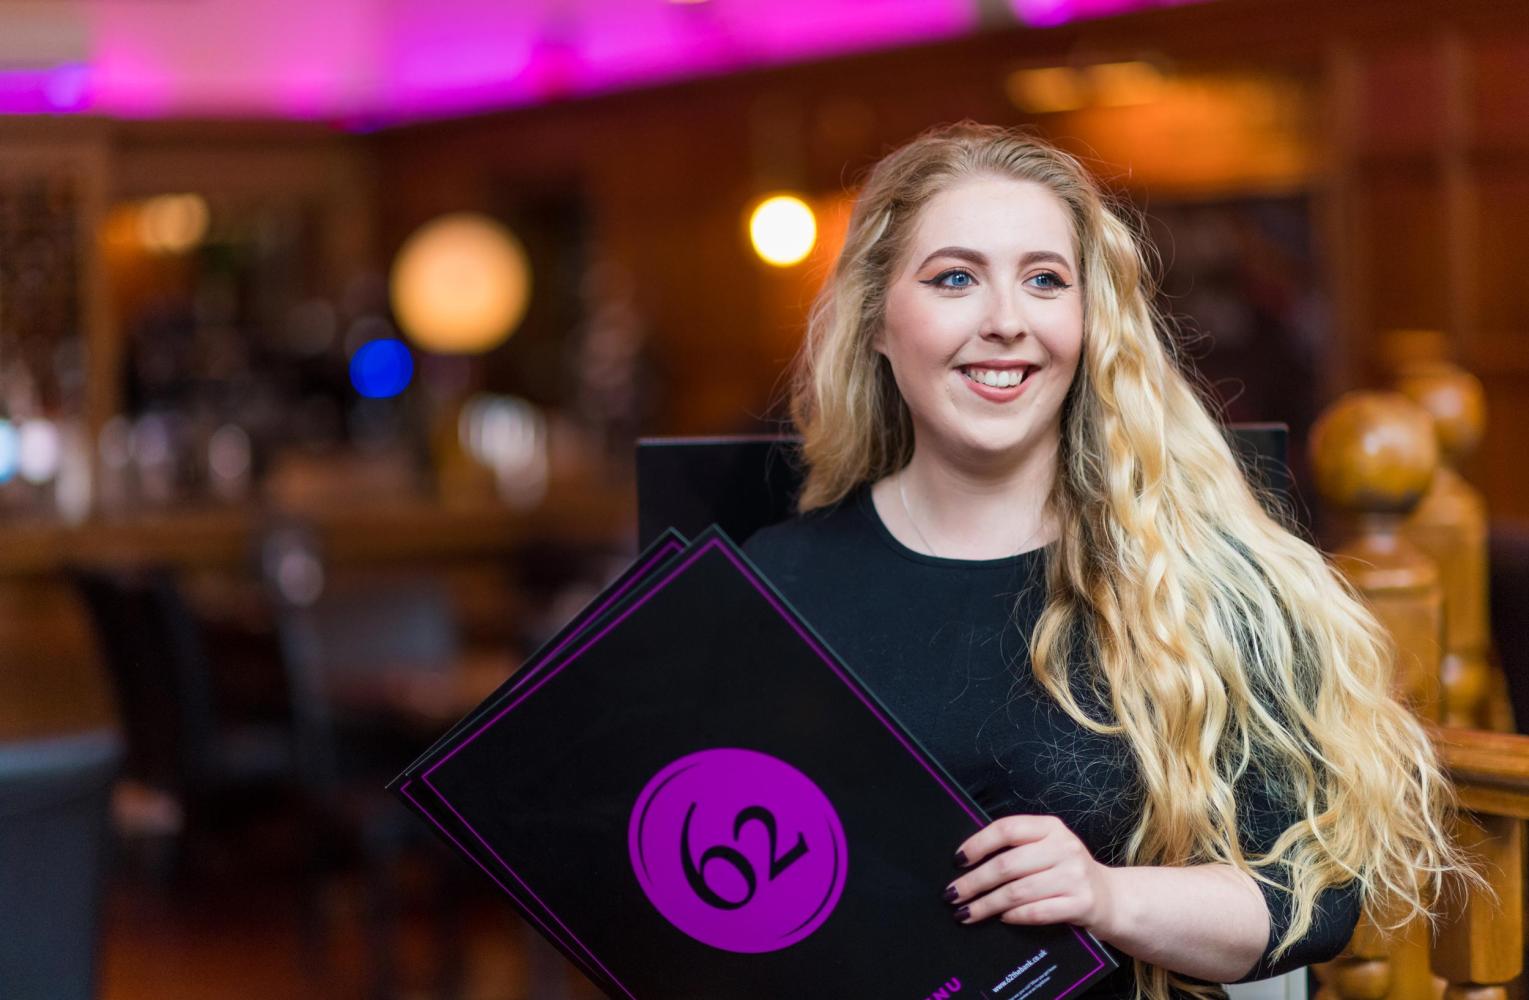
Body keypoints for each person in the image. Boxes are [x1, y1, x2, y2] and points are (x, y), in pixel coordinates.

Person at [741, 121, 1473, 1000]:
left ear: (1090, 322)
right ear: (876, 322)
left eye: (1045, 281)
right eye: (954, 278)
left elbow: (1316, 898)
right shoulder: (774, 585)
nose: (1005, 322)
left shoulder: (1197, 573)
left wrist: (1104, 894)